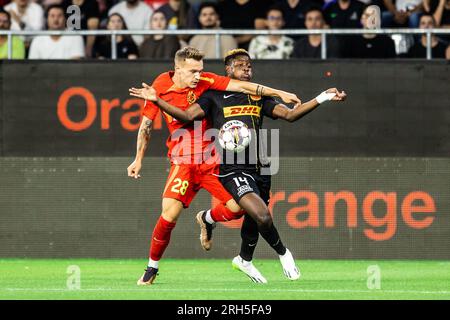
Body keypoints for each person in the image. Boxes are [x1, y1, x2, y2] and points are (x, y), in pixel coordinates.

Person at [141, 48, 346, 283]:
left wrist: (322, 97)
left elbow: (290, 115)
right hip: (230, 166)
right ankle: (283, 254)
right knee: (261, 215)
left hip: (259, 167)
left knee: (251, 214)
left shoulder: (258, 97)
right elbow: (187, 116)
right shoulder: (213, 95)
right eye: (240, 65)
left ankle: (233, 247)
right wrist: (156, 101)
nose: (246, 68)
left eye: (249, 65)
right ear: (228, 70)